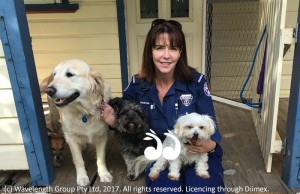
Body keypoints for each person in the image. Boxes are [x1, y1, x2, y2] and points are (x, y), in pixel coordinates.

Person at [100, 19, 225, 194]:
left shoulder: (196, 83)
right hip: (162, 151)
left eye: (173, 48)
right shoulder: (137, 85)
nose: (166, 55)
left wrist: (210, 146)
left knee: (202, 189)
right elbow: (126, 121)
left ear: (180, 52)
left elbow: (211, 126)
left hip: (196, 149)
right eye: (159, 48)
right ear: (150, 52)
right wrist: (114, 122)